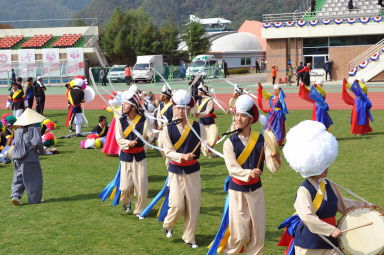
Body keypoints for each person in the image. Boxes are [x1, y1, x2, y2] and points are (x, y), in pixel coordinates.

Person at [278, 120, 369, 255]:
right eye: (323, 164)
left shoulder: (329, 184)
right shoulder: (304, 190)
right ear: (314, 164)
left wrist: (366, 206)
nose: (327, 167)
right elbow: (308, 218)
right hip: (309, 243)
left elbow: (344, 204)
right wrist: (331, 230)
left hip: (331, 240)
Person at [210, 95, 281, 255]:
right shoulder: (230, 143)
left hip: (256, 192)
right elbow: (232, 169)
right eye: (237, 115)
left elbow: (273, 167)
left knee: (257, 236)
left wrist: (275, 157)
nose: (239, 119)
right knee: (239, 235)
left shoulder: (262, 140)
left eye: (243, 115)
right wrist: (249, 173)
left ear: (250, 119)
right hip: (237, 192)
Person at [161, 89, 207, 249]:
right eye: (178, 108)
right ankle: (168, 224)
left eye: (184, 108)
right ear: (173, 108)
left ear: (189, 109)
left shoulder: (198, 127)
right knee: (177, 205)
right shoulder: (168, 128)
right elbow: (167, 151)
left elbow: (206, 148)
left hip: (193, 172)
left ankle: (189, 238)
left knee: (193, 206)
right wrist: (182, 157)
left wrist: (209, 147)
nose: (181, 111)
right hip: (175, 171)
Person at [115, 86, 151, 218]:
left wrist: (149, 137)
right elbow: (118, 138)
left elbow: (149, 135)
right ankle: (126, 201)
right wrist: (128, 143)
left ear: (133, 107)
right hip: (125, 157)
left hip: (140, 158)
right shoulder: (120, 121)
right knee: (124, 188)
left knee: (141, 187)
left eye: (125, 104)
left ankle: (139, 210)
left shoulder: (144, 120)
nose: (123, 106)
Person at [10, 108, 45, 206]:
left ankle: (15, 196)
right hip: (30, 158)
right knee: (34, 178)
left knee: (18, 178)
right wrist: (42, 152)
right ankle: (35, 199)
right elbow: (37, 142)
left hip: (17, 157)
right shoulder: (33, 129)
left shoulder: (17, 130)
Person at [194, 84, 218, 158]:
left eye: (199, 91)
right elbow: (197, 110)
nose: (198, 93)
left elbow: (207, 112)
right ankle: (205, 152)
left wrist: (199, 114)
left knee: (210, 139)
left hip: (209, 122)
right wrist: (195, 113)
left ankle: (211, 153)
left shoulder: (210, 101)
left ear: (202, 92)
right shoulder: (199, 101)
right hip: (202, 122)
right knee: (202, 138)